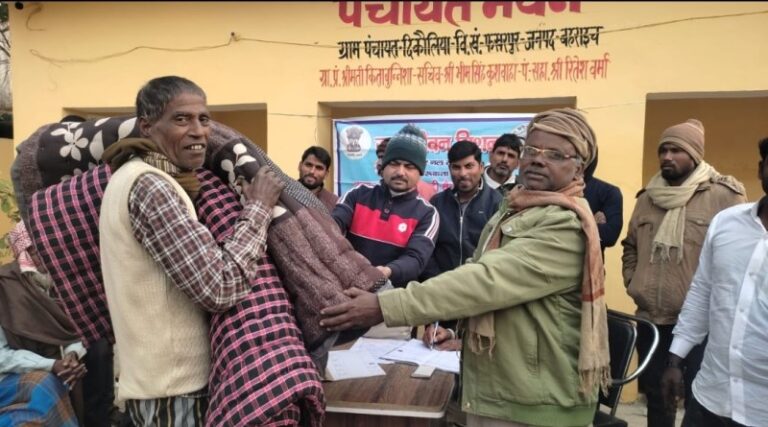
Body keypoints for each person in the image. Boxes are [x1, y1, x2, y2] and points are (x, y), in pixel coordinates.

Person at [321, 108, 610, 427]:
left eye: (555, 154)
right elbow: (481, 270)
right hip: (503, 386)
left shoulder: (564, 226)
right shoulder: (518, 208)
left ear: (579, 168)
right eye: (532, 150)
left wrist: (385, 305)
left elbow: (486, 281)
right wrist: (456, 329)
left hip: (535, 402)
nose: (538, 160)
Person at [98, 76, 284, 425]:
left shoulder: (133, 178)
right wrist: (258, 207)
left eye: (204, 119)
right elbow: (220, 286)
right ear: (148, 126)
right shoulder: (151, 187)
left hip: (161, 389)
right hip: (174, 395)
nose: (199, 131)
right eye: (182, 119)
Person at [621, 119, 747, 427]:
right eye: (663, 150)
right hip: (652, 320)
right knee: (657, 397)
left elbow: (742, 253)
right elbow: (630, 246)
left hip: (703, 325)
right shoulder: (647, 197)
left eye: (676, 150)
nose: (666, 156)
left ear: (694, 154)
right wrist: (634, 282)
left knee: (700, 402)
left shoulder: (724, 196)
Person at [660, 137, 768, 427]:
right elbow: (702, 292)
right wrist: (675, 360)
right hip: (709, 398)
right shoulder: (726, 223)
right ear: (761, 169)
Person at [0, 222, 87, 427]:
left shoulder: (61, 283)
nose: (44, 254)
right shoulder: (5, 287)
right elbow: (2, 357)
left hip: (51, 368)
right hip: (7, 378)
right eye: (34, 249)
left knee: (79, 369)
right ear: (22, 252)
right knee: (43, 385)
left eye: (46, 246)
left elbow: (74, 331)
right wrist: (51, 365)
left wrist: (71, 357)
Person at [333, 124, 439, 288]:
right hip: (345, 287)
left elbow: (416, 259)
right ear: (383, 166)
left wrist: (386, 271)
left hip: (390, 302)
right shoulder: (357, 194)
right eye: (394, 164)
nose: (400, 172)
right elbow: (332, 229)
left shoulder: (428, 213)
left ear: (420, 171)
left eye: (409, 166)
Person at [420, 140, 502, 350]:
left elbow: (500, 258)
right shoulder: (437, 203)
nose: (463, 173)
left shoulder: (498, 204)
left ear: (481, 168)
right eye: (456, 167)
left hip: (482, 299)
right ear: (449, 169)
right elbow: (428, 252)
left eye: (469, 166)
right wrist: (434, 317)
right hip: (443, 297)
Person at [583, 147, 623, 256]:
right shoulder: (550, 187)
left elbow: (609, 236)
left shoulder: (608, 192)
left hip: (590, 270)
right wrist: (592, 223)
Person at [376, 136, 436, 201]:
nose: (379, 163)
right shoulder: (369, 194)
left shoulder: (423, 191)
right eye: (379, 157)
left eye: (382, 158)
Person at [298, 145, 338, 212]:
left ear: (326, 173)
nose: (312, 171)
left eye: (319, 168)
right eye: (308, 165)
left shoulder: (334, 204)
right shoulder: (283, 193)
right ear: (300, 166)